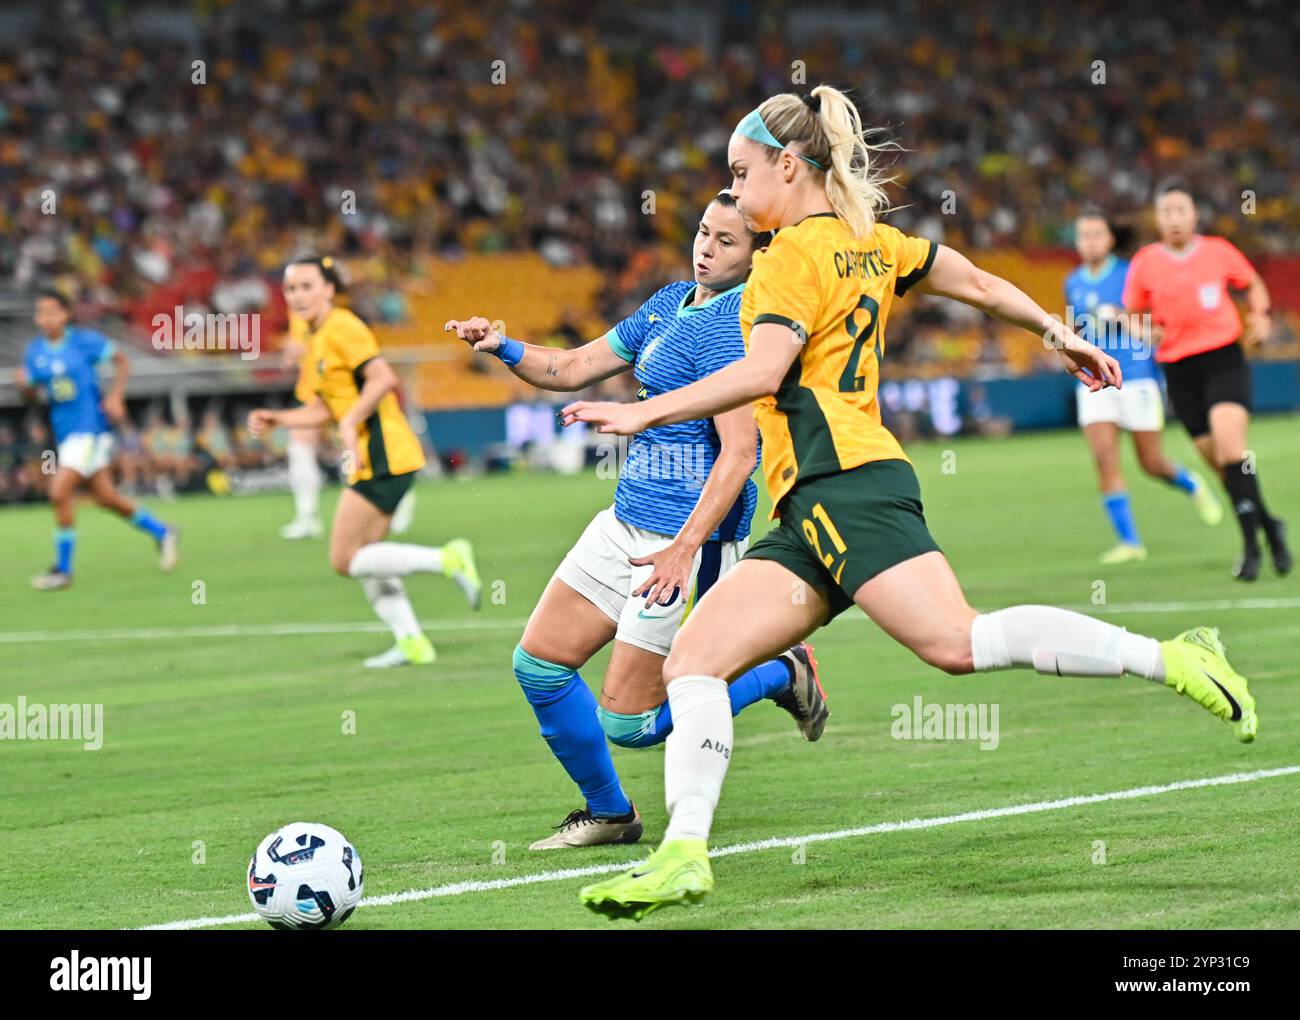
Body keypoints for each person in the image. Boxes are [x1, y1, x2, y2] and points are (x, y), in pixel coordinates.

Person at [563, 87, 1258, 920]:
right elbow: (974, 279)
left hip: (846, 487)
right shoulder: (872, 243)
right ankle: (683, 856)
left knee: (958, 643)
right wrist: (1054, 329)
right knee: (694, 664)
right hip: (810, 507)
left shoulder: (788, 257)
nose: (736, 193)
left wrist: (638, 410)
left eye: (741, 175)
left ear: (788, 167)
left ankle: (1174, 655)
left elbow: (762, 374)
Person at [445, 192, 827, 850]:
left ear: (759, 253)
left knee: (634, 723)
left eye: (726, 242)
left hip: (684, 543)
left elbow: (739, 456)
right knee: (538, 667)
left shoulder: (744, 326)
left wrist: (685, 548)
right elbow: (571, 368)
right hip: (624, 523)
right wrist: (503, 345)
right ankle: (612, 814)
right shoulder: (669, 302)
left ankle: (781, 672)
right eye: (704, 233)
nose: (707, 248)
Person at [248, 256, 480, 668]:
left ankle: (447, 559)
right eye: (290, 289)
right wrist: (279, 418)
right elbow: (325, 409)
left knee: (345, 559)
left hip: (381, 452)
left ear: (328, 290)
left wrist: (353, 419)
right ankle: (412, 641)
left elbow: (382, 378)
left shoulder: (341, 326)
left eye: (306, 286)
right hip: (384, 454)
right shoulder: (318, 338)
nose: (297, 296)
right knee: (370, 555)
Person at [1123, 178, 1290, 580]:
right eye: (1167, 212)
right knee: (1221, 467)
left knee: (1233, 451)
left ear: (1194, 214)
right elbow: (1131, 314)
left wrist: (1261, 315)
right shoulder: (1146, 261)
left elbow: (1252, 284)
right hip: (1179, 371)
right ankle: (1270, 526)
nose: (1175, 219)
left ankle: (1251, 551)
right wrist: (1145, 331)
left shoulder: (1218, 251)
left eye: (1182, 210)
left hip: (1223, 361)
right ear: (1157, 218)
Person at [1066, 208, 1221, 563]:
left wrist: (1120, 316)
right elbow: (1075, 329)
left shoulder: (1132, 273)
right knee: (1104, 459)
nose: (1088, 242)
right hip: (1096, 381)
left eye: (1096, 235)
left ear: (1109, 239)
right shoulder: (1072, 281)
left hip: (1135, 378)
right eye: (1083, 236)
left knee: (1151, 462)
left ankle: (1192, 484)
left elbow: (1156, 328)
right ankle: (1130, 542)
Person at [16, 288, 178, 589]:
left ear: (66, 314)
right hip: (65, 435)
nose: (46, 318)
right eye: (41, 312)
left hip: (89, 430)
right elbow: (31, 396)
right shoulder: (35, 352)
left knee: (58, 491)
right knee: (107, 498)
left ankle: (62, 571)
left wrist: (116, 396)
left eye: (53, 311)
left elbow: (122, 361)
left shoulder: (84, 341)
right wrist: (24, 386)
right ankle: (163, 532)